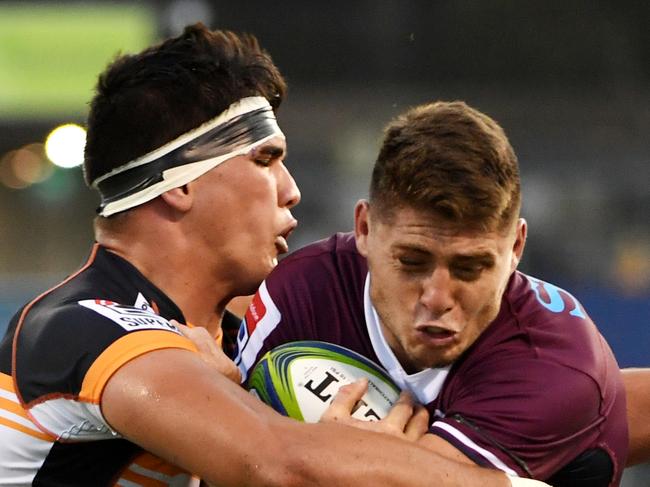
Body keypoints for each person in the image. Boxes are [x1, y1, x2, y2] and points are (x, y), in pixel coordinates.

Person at [0, 24, 551, 487]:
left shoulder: (245, 343)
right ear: (180, 183)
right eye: (266, 160)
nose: (291, 190)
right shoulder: (83, 328)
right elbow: (276, 461)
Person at [234, 101, 632, 486]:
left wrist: (330, 456)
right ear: (365, 230)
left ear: (515, 249)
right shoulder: (302, 293)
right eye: (412, 262)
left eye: (469, 268)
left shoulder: (555, 364)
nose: (438, 298)